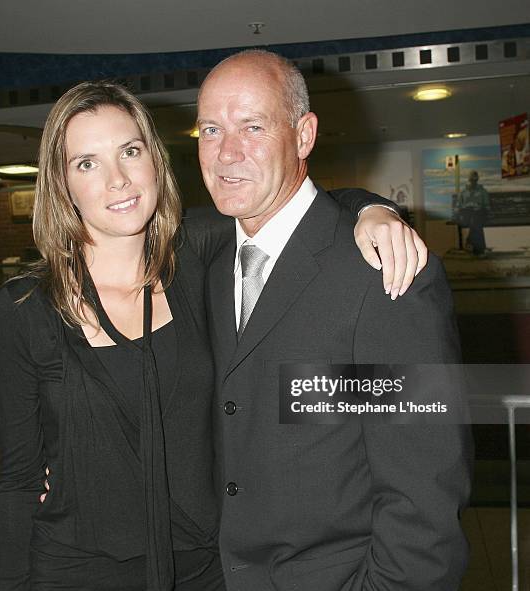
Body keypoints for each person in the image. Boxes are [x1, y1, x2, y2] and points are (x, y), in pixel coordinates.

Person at [0, 81, 425, 591]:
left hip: (206, 567)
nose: (118, 180)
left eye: (130, 152)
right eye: (87, 163)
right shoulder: (26, 308)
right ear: (61, 184)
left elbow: (300, 207)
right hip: (76, 568)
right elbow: (19, 479)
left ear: (155, 159)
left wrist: (374, 209)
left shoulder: (199, 258)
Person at [197, 50, 473, 591]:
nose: (226, 152)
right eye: (210, 129)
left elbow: (424, 494)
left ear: (303, 136)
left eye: (252, 126)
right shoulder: (199, 260)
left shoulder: (382, 273)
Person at [456, 170, 490, 256]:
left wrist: (479, 207)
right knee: (476, 223)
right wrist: (466, 207)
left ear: (477, 180)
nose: (473, 182)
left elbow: (487, 205)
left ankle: (470, 242)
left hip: (479, 214)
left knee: (475, 221)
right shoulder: (463, 192)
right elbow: (459, 206)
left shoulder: (482, 191)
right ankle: (480, 248)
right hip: (467, 215)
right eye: (472, 180)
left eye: (474, 180)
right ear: (469, 180)